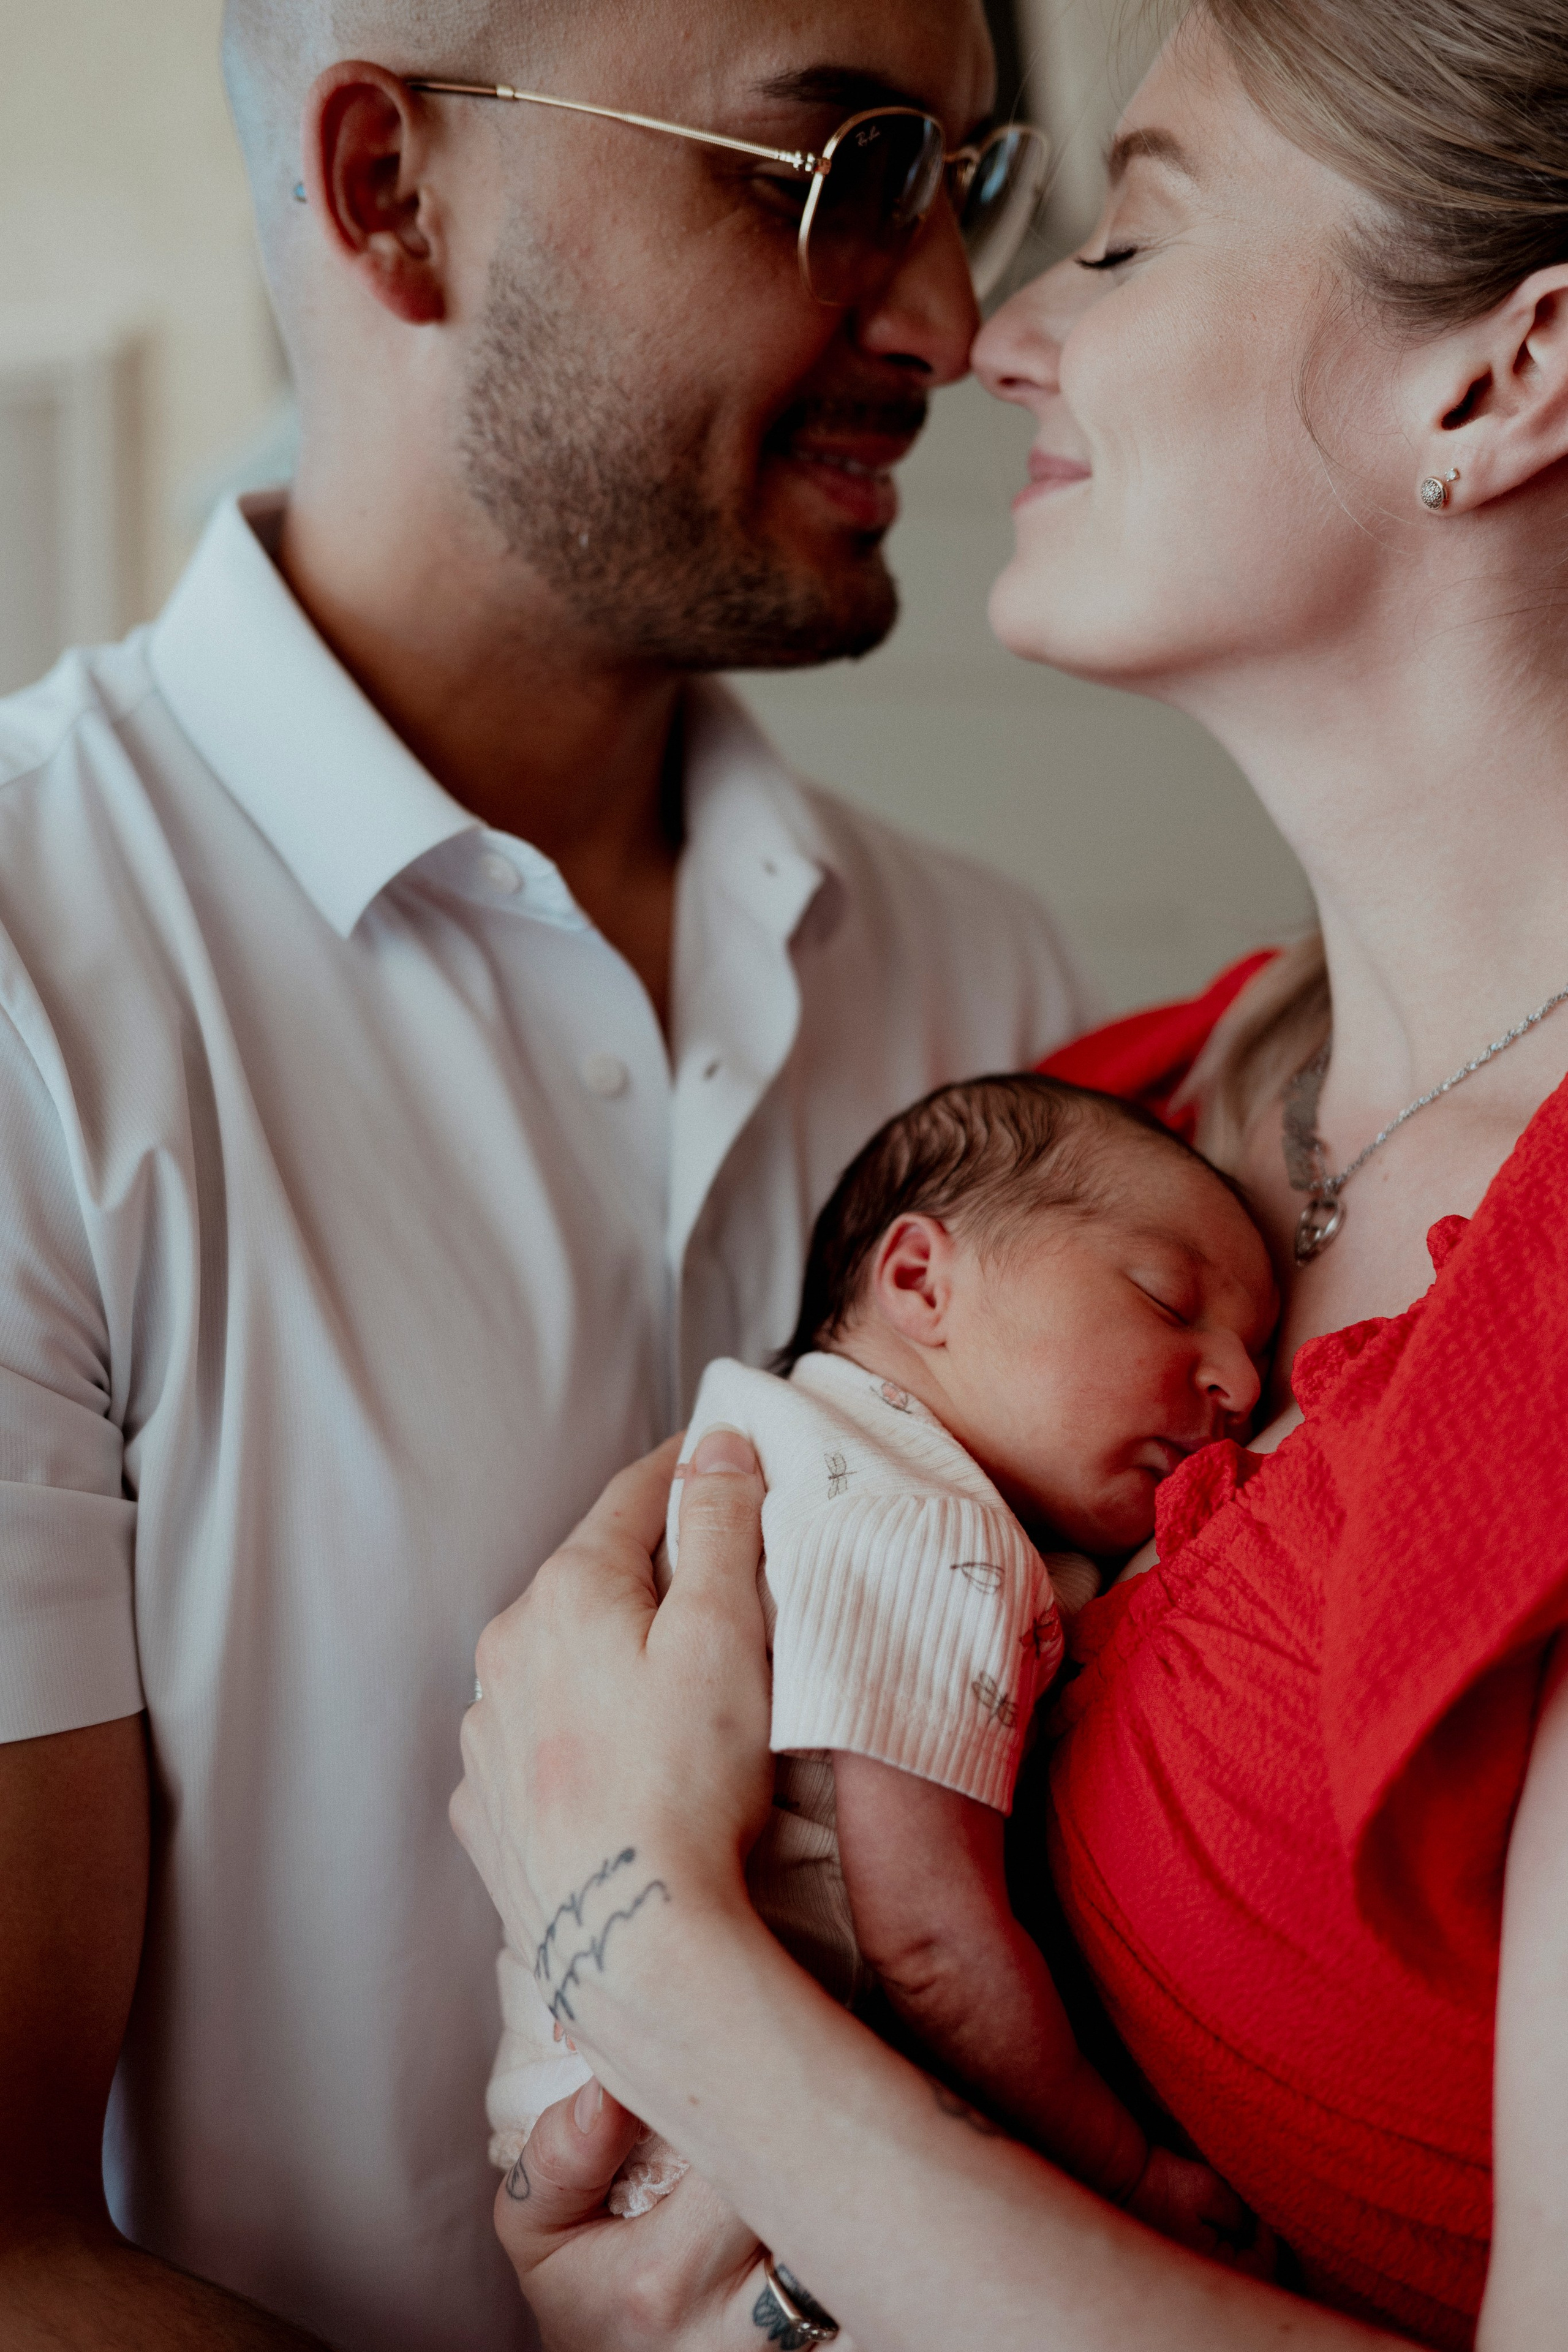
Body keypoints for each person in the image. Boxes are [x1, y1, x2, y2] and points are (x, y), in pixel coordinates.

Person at [450, 0, 1568, 2345]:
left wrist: (653, 1981)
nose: (999, 335)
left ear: (1501, 378)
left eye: (1131, 242)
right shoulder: (1109, 1120)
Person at [0, 3, 1085, 2346]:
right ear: (394, 192)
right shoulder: (25, 988)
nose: (950, 321)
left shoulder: (999, 997)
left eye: (967, 184)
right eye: (840, 168)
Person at [484, 1076, 1276, 2248]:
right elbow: (934, 1947)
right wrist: (1123, 2173)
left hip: (600, 2123)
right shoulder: (923, 1524)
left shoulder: (769, 1445)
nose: (1244, 1387)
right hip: (733, 2157)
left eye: (1257, 1350)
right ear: (919, 1280)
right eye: (1169, 1302)